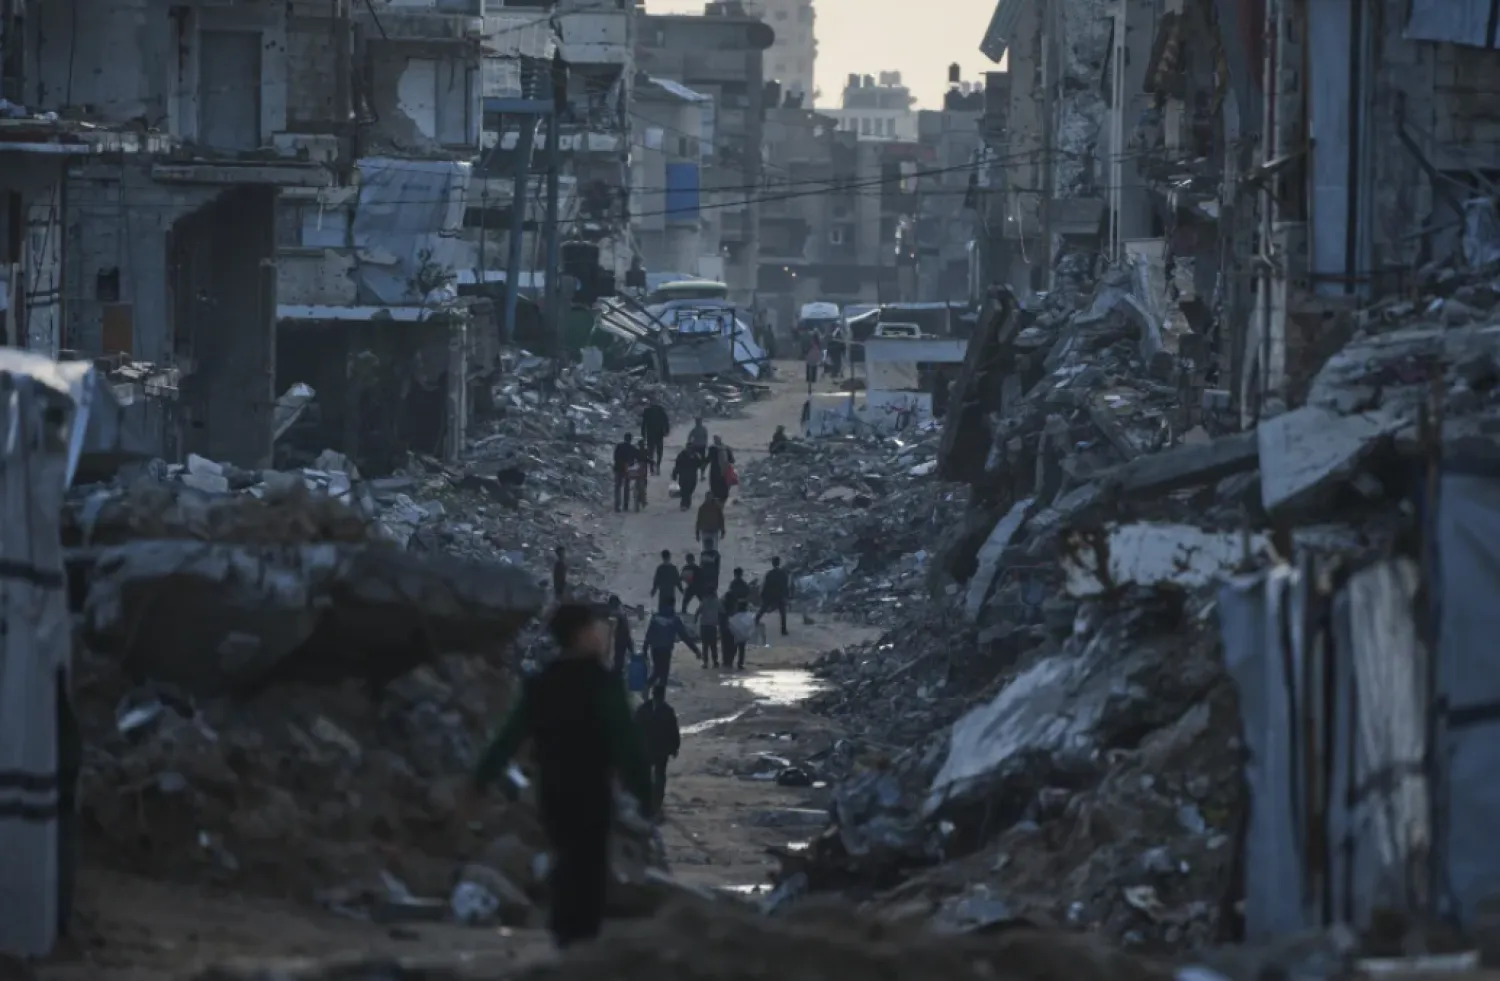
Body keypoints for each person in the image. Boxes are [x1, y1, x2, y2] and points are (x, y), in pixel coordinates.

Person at [466, 603, 652, 949]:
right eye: (596, 628)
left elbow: (509, 737)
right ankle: (583, 941)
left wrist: (482, 778)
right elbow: (626, 742)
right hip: (592, 788)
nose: (602, 635)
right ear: (581, 634)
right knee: (591, 863)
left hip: (552, 788)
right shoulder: (602, 684)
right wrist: (645, 793)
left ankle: (563, 937)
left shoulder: (541, 683)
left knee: (565, 857)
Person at [633, 685, 681, 817]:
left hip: (659, 749)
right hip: (649, 748)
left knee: (659, 776)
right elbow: (635, 728)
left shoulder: (662, 711)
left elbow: (673, 730)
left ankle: (656, 803)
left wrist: (674, 747)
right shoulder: (646, 710)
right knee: (649, 775)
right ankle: (648, 802)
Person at [642, 601, 700, 688]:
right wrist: (695, 650)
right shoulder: (674, 620)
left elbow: (649, 635)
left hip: (655, 649)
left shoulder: (655, 618)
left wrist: (645, 649)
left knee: (657, 671)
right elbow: (684, 636)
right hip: (666, 650)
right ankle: (654, 690)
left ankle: (647, 688)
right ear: (672, 606)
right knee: (663, 674)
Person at [724, 568, 751, 670]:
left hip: (734, 613)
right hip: (743, 612)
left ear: (735, 574)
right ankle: (740, 663)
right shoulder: (744, 584)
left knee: (734, 642)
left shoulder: (733, 584)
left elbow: (729, 597)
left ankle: (730, 661)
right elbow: (748, 594)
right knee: (742, 644)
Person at [757, 556, 790, 636]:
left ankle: (755, 621)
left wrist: (762, 595)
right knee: (782, 613)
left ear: (772, 563)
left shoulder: (769, 573)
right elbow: (785, 586)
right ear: (779, 563)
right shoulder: (783, 574)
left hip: (770, 595)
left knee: (763, 609)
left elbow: (765, 585)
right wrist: (786, 595)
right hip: (779, 596)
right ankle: (783, 630)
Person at [640, 400, 670, 475]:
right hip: (658, 434)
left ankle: (653, 466)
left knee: (652, 451)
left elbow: (643, 424)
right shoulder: (660, 410)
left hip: (652, 434)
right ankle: (656, 466)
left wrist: (643, 434)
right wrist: (666, 430)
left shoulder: (648, 411)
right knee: (658, 452)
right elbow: (666, 421)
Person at [612, 433, 640, 512]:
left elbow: (615, 457)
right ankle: (625, 505)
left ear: (624, 438)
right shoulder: (632, 448)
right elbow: (638, 458)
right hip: (627, 469)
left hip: (618, 468)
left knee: (617, 487)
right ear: (630, 439)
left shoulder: (619, 446)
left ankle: (617, 506)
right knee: (626, 487)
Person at [695, 590, 722, 667]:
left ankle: (705, 662)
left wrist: (695, 620)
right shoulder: (717, 602)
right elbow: (722, 611)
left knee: (705, 645)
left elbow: (698, 612)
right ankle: (715, 661)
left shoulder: (704, 602)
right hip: (713, 626)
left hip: (704, 625)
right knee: (713, 645)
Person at [608, 595, 633, 677]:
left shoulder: (613, 614)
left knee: (616, 663)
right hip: (622, 641)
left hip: (617, 642)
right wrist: (629, 643)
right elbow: (626, 630)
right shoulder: (622, 613)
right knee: (619, 662)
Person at [706, 436, 735, 502]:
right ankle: (722, 498)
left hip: (715, 469)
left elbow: (708, 459)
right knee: (724, 485)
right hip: (725, 469)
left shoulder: (712, 448)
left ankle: (716, 498)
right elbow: (732, 460)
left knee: (714, 485)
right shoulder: (727, 448)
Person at [672, 446, 701, 510]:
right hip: (683, 476)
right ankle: (684, 504)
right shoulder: (682, 455)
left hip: (692, 476)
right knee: (684, 490)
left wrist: (698, 459)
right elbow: (677, 465)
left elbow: (699, 464)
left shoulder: (695, 456)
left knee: (690, 490)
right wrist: (674, 474)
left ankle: (686, 503)